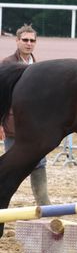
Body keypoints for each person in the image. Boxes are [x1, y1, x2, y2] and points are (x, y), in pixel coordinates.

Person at [0, 24, 51, 205]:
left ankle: (44, 205)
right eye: (25, 40)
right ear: (17, 41)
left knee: (39, 163)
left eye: (32, 40)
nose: (29, 44)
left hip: (37, 127)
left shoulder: (38, 67)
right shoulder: (7, 64)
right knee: (13, 166)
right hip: (14, 126)